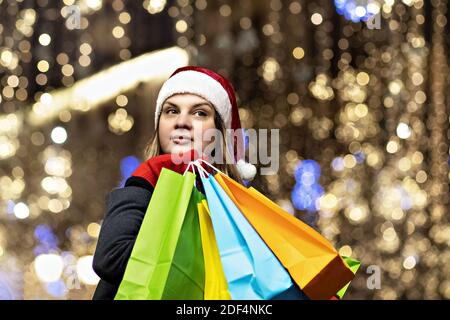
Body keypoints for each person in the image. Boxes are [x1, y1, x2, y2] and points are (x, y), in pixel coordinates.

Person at [91, 66, 257, 299]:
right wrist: (153, 175)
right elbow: (111, 258)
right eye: (170, 111)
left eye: (199, 113)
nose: (182, 121)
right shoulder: (144, 186)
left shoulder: (244, 212)